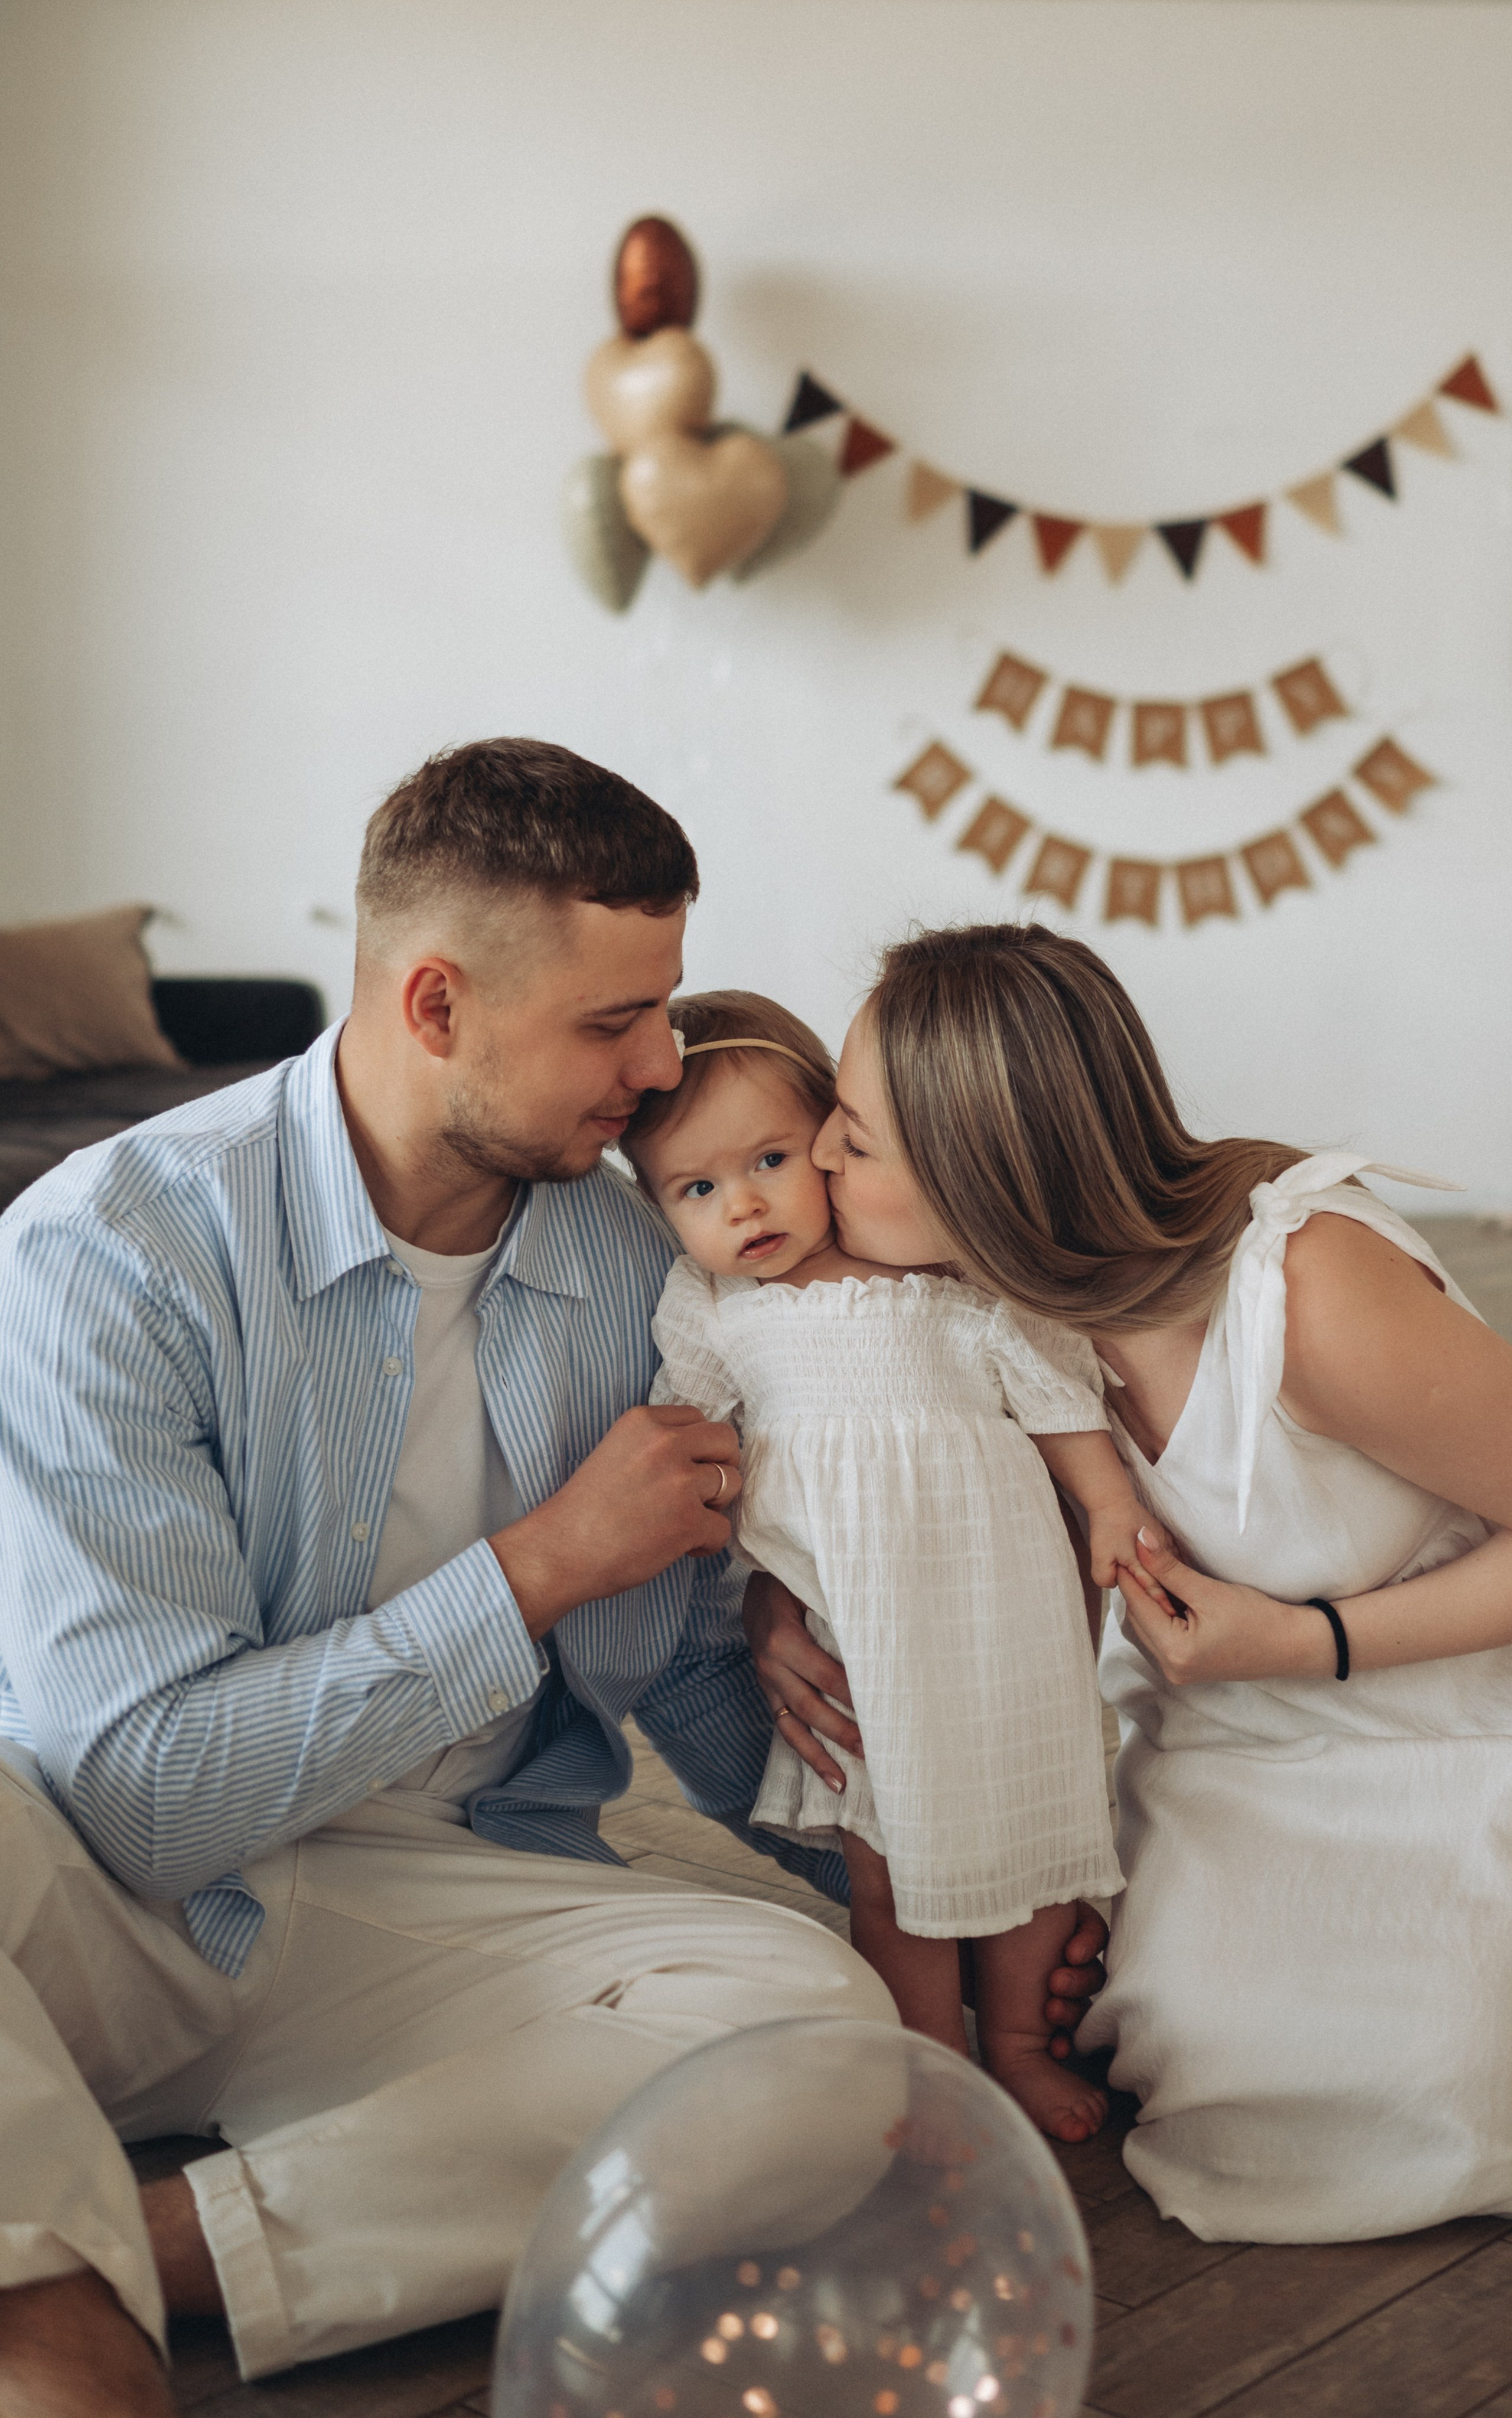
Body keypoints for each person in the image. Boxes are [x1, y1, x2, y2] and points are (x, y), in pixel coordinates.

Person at [0, 739, 915, 2416]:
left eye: (666, 1005)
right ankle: (58, 2342)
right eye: (608, 1021)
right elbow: (139, 1799)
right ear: (434, 1004)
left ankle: (130, 2242)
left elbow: (699, 1663)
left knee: (828, 2040)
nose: (662, 1066)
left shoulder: (639, 1258)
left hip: (444, 1874)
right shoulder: (101, 1251)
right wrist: (541, 1565)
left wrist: (927, 1880)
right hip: (109, 1898)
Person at [752, 918, 1512, 2243]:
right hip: (1213, 1753)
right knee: (1173, 2037)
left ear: (981, 1176)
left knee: (1399, 2090)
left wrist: (1298, 1640)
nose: (815, 1156)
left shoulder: (1305, 1291)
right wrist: (776, 1603)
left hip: (1445, 1722)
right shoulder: (981, 1321)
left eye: (853, 1138)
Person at [622, 988, 1131, 2143]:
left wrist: (1105, 1506)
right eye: (696, 1188)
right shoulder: (713, 1305)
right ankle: (928, 2057)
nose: (741, 1202)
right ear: (658, 1208)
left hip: (1002, 1622)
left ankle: (1013, 2040)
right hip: (860, 1639)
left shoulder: (944, 1281)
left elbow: (1054, 1392)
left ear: (832, 1143)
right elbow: (684, 1437)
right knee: (884, 1866)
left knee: (1034, 1849)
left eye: (768, 1158)